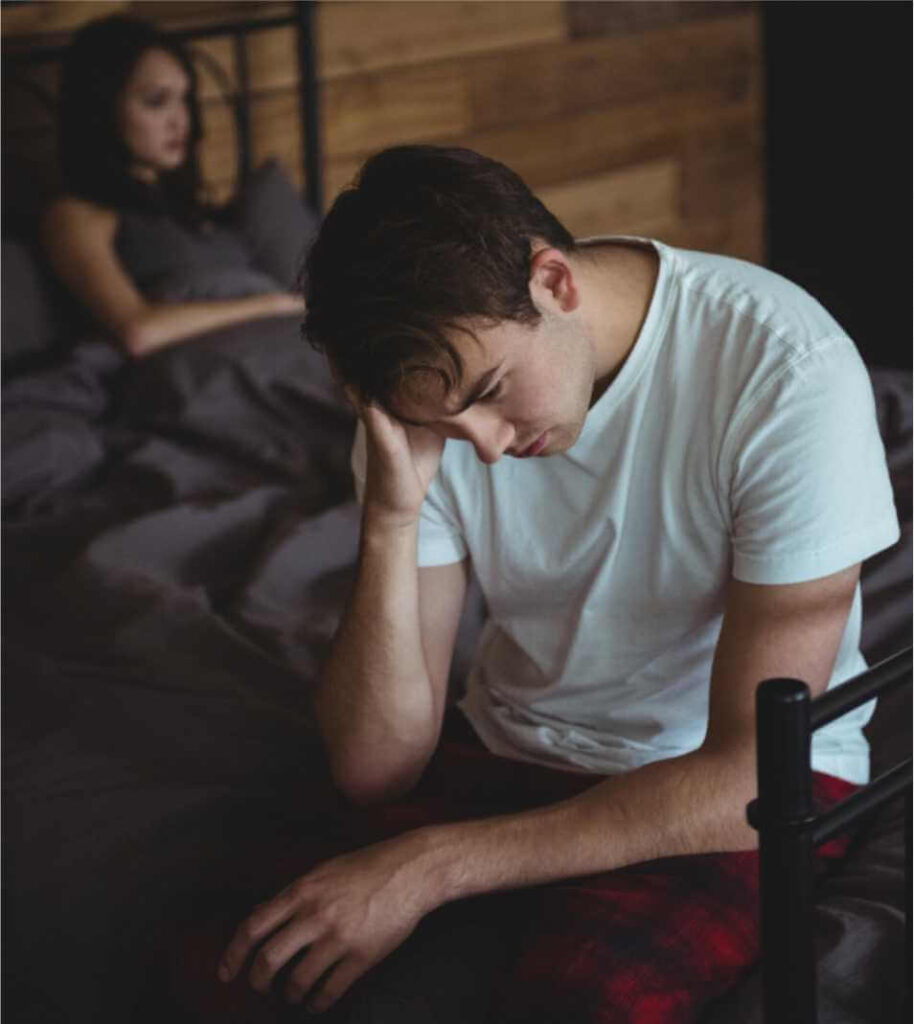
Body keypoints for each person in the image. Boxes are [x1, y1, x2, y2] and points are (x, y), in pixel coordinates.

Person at [213, 145, 900, 1019]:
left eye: (494, 390)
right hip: (515, 750)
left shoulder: (784, 368)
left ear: (554, 282)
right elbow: (375, 769)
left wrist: (434, 865)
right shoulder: (434, 401)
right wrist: (390, 516)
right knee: (243, 959)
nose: (487, 448)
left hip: (713, 796)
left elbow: (754, 779)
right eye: (449, 425)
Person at [39, 15, 303, 359]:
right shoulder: (76, 215)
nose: (180, 120)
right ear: (103, 109)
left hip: (264, 348)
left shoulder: (194, 214)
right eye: (157, 101)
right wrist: (274, 305)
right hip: (202, 366)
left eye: (184, 99)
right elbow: (138, 331)